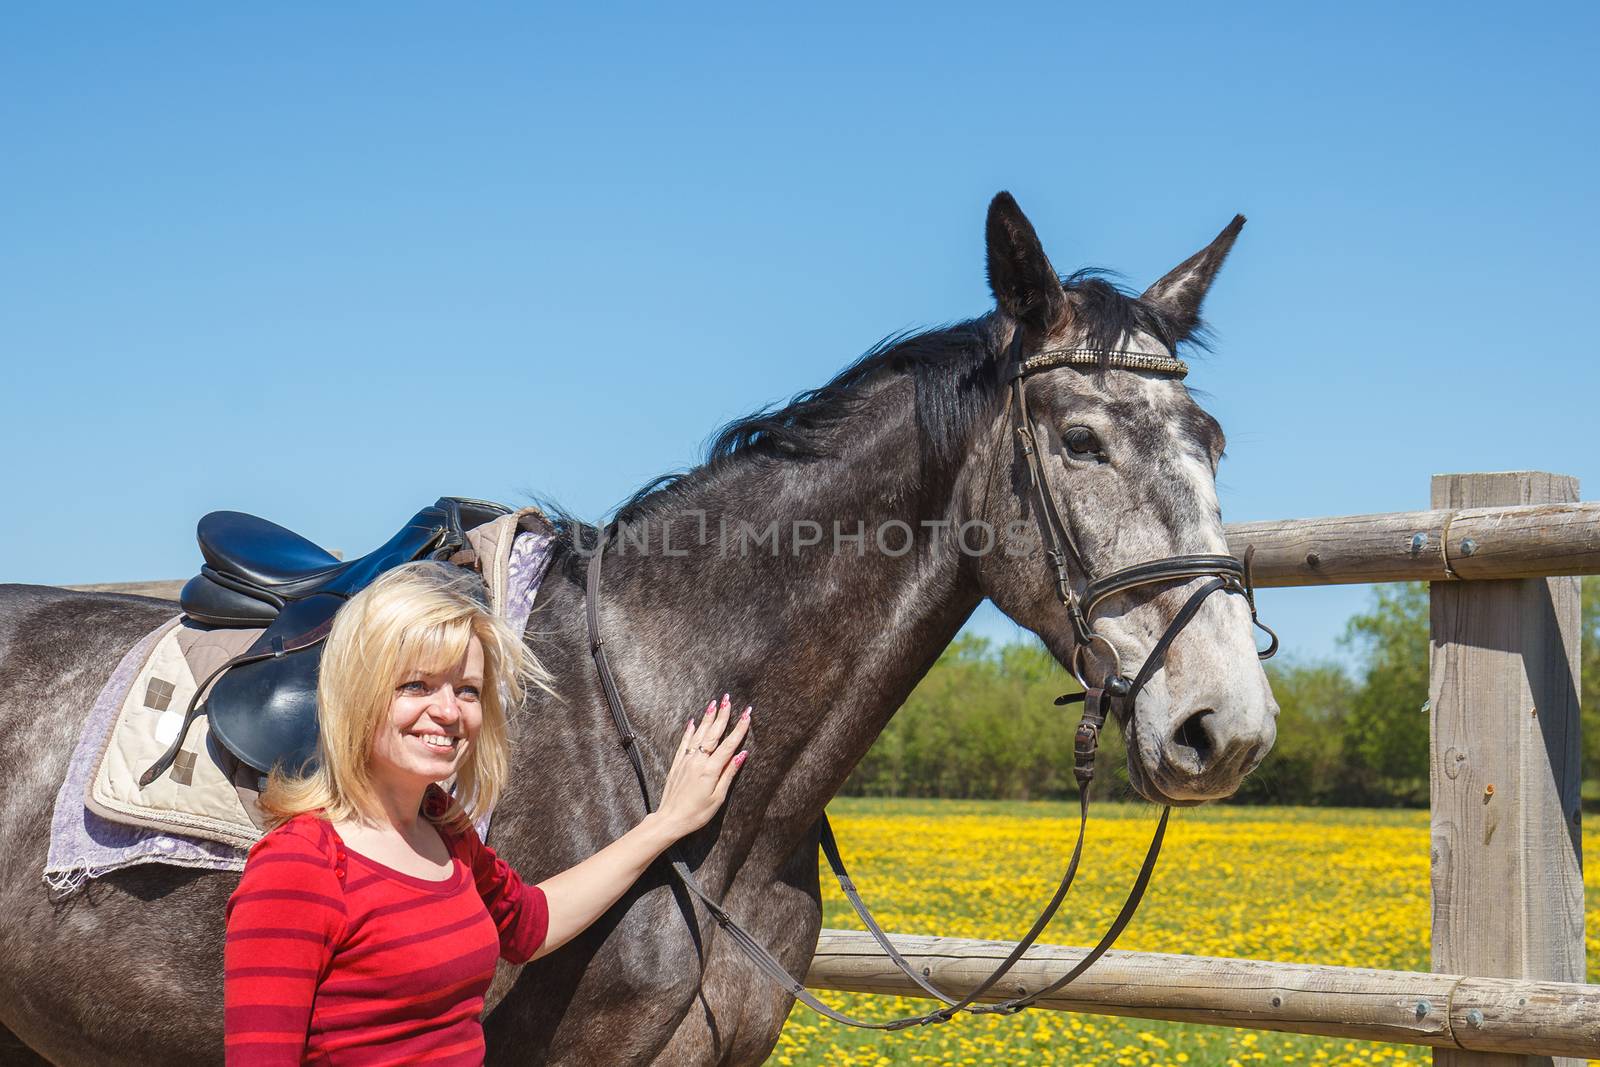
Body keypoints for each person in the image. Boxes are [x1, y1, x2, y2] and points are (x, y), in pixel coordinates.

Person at [222, 561, 751, 1065]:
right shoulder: (301, 866)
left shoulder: (443, 829)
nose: (450, 711)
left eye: (468, 690)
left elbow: (530, 924)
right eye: (416, 685)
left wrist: (668, 821)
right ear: (358, 693)